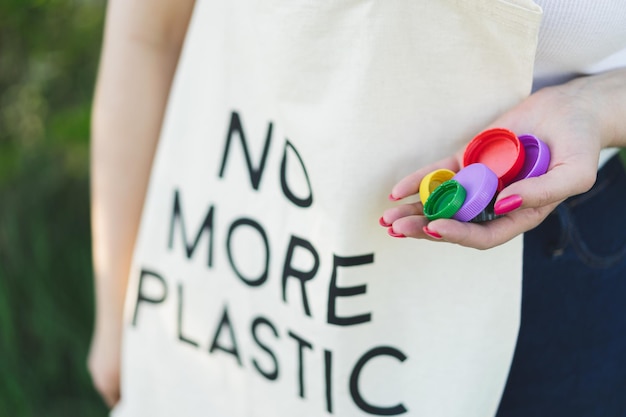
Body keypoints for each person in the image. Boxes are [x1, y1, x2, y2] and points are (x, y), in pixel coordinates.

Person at [88, 0, 626, 416]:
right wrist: (118, 314)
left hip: (553, 273)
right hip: (242, 234)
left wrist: (595, 105)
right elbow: (148, 34)